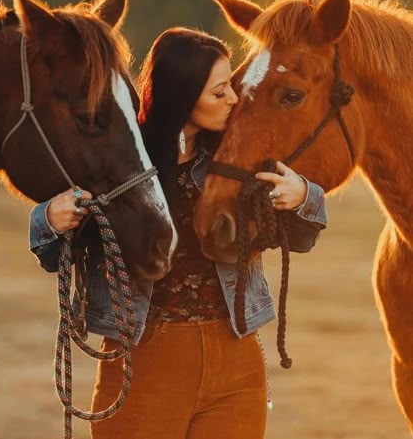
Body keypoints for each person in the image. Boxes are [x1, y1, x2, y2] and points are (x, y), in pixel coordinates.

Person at [29, 27, 327, 439]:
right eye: (219, 92)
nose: (234, 100)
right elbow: (50, 250)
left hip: (236, 362)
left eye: (231, 87)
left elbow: (300, 237)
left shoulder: (237, 157)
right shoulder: (117, 162)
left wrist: (303, 195)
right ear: (183, 96)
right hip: (143, 361)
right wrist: (48, 216)